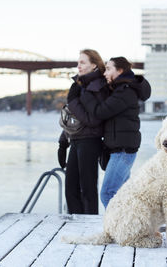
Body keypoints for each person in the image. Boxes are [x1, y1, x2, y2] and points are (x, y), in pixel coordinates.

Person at [78, 56, 151, 208]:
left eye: (109, 69)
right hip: (122, 149)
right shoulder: (120, 89)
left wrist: (86, 96)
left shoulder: (125, 91)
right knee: (125, 194)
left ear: (120, 70)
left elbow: (100, 112)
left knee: (108, 193)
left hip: (123, 150)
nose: (105, 73)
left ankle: (117, 227)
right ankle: (132, 226)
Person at [57, 49, 109, 214]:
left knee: (88, 188)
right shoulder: (79, 85)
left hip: (90, 141)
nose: (78, 65)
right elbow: (74, 118)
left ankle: (90, 226)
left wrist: (72, 101)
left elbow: (94, 118)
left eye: (82, 62)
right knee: (70, 187)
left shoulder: (99, 85)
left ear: (94, 65)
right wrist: (63, 141)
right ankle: (76, 224)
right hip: (76, 140)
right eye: (78, 62)